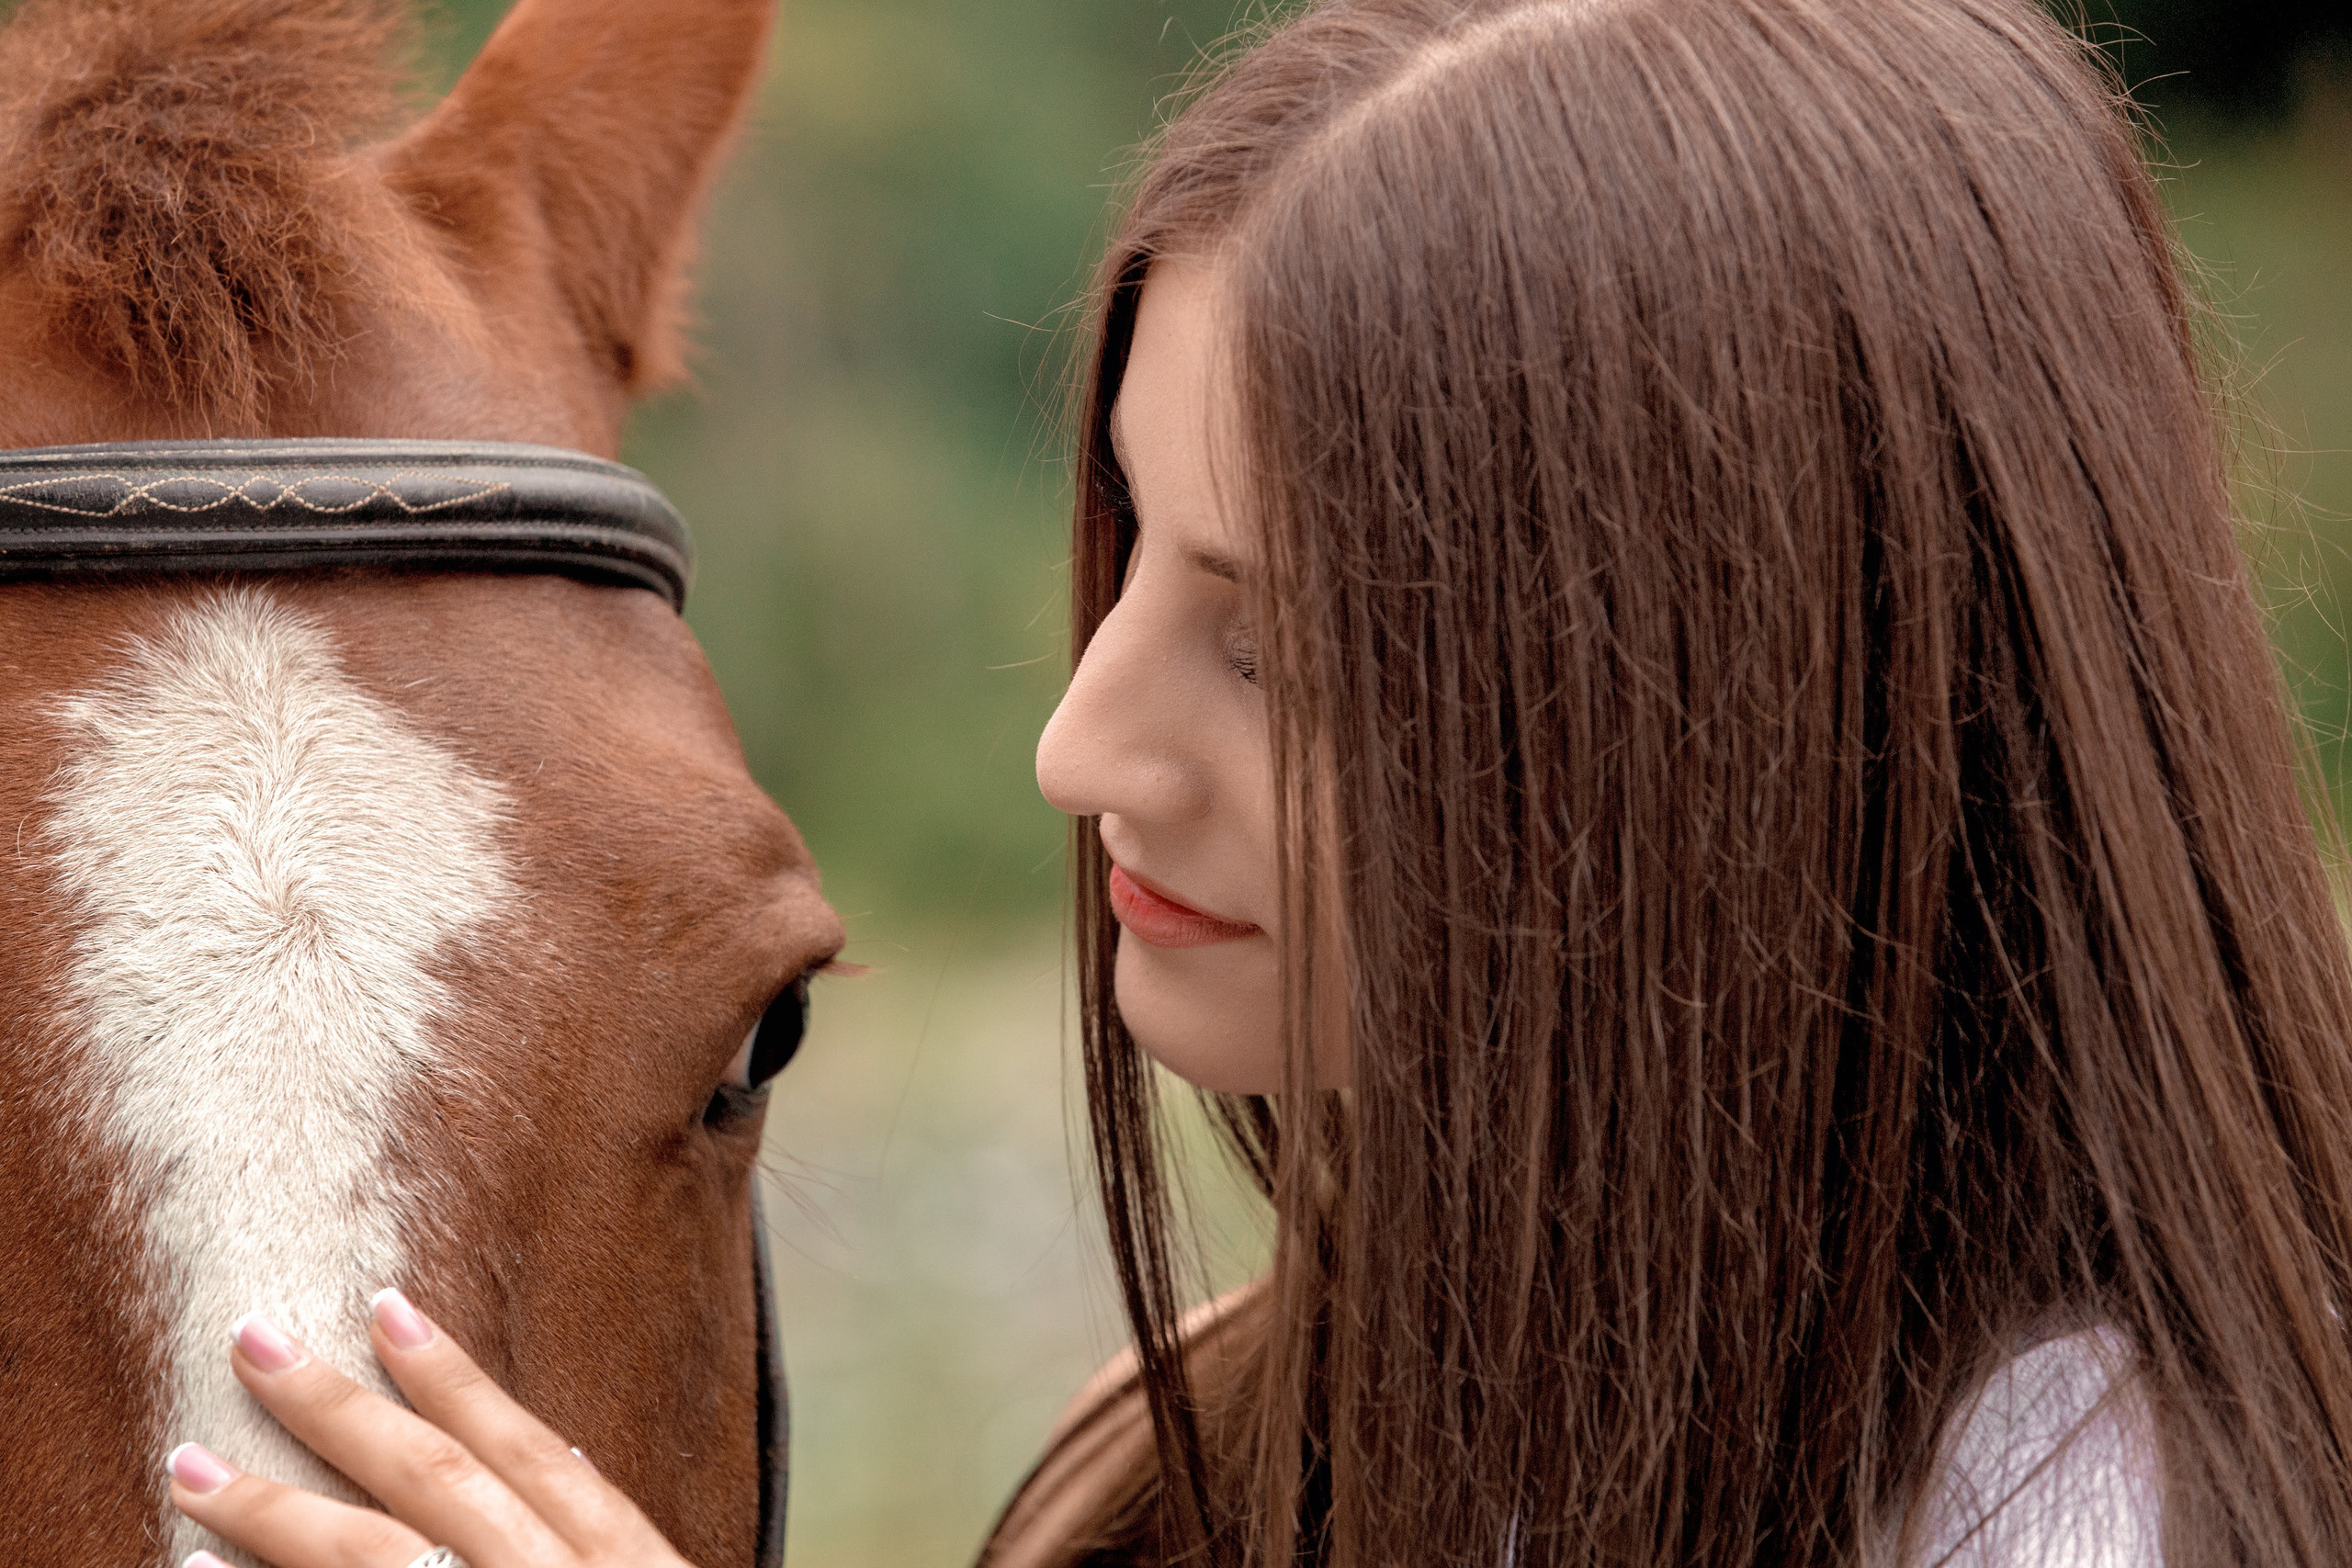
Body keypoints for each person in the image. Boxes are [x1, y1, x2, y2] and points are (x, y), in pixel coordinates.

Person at [156, 0, 2352, 1563]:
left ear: (1780, 719)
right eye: (1128, 547)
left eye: (1283, 639)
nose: (1077, 743)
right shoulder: (1234, 1443)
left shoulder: (2087, 1511)